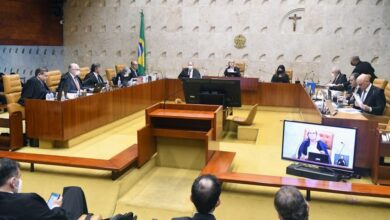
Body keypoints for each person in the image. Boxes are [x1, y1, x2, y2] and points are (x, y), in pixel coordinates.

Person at [0, 158, 96, 220]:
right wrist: (55, 207)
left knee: (73, 191)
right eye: (19, 177)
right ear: (13, 182)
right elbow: (57, 218)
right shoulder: (28, 201)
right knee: (74, 191)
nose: (20, 180)